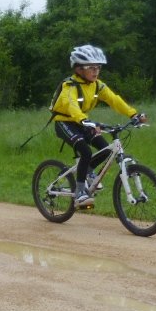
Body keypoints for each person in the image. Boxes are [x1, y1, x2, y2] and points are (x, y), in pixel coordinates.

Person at [51, 44, 146, 207]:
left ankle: (87, 170)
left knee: (105, 149)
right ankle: (80, 191)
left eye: (98, 67)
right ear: (79, 69)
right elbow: (71, 104)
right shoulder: (70, 86)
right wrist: (83, 120)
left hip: (82, 121)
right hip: (64, 121)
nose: (95, 71)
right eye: (90, 67)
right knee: (85, 151)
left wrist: (133, 114)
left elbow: (114, 99)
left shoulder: (97, 85)